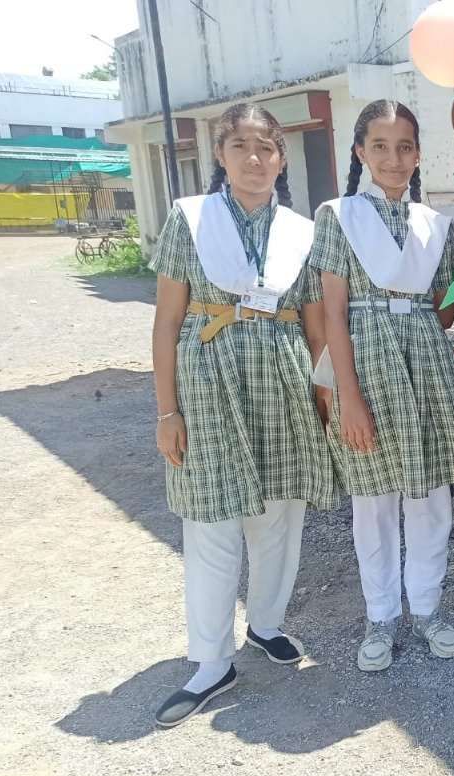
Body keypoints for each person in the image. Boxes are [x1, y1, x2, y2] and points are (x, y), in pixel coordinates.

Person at [150, 103, 336, 727]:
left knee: (279, 515)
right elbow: (167, 321)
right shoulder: (190, 219)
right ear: (220, 155)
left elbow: (314, 323)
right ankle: (210, 661)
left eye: (266, 147)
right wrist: (167, 410)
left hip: (283, 381)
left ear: (281, 158)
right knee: (211, 519)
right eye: (240, 146)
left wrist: (324, 396)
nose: (254, 158)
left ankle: (265, 623)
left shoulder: (302, 231)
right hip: (208, 383)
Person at [312, 99, 454, 673]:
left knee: (429, 497)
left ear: (418, 154)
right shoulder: (339, 216)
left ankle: (426, 608)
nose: (393, 158)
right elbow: (334, 312)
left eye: (405, 147)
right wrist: (348, 397)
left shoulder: (435, 224)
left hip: (426, 363)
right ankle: (380, 615)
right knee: (373, 499)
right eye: (379, 146)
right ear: (360, 151)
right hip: (368, 365)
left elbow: (445, 310)